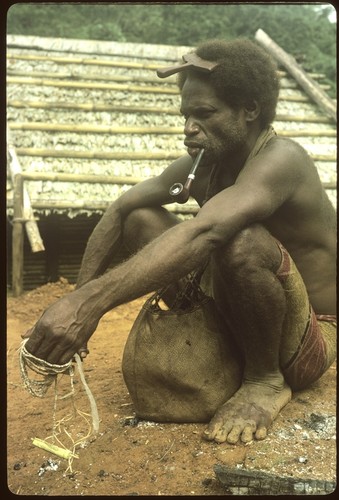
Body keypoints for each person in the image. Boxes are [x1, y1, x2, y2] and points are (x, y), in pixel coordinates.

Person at [23, 39, 336, 445]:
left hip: (308, 341)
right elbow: (121, 209)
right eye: (186, 115)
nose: (189, 127)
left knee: (239, 240)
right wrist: (79, 300)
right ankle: (229, 356)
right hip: (245, 323)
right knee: (141, 219)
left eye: (204, 114)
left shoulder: (283, 160)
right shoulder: (204, 166)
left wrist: (87, 306)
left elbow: (208, 231)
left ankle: (264, 380)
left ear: (250, 110)